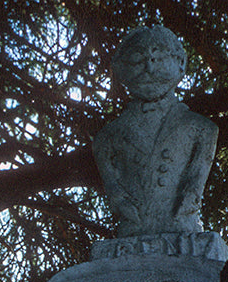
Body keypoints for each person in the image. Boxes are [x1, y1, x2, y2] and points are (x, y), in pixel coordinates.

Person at [92, 25, 218, 237]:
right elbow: (116, 193)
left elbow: (193, 189)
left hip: (182, 232)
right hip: (131, 234)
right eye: (136, 59)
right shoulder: (107, 138)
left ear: (180, 63)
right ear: (120, 68)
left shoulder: (203, 129)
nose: (149, 68)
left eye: (159, 58)